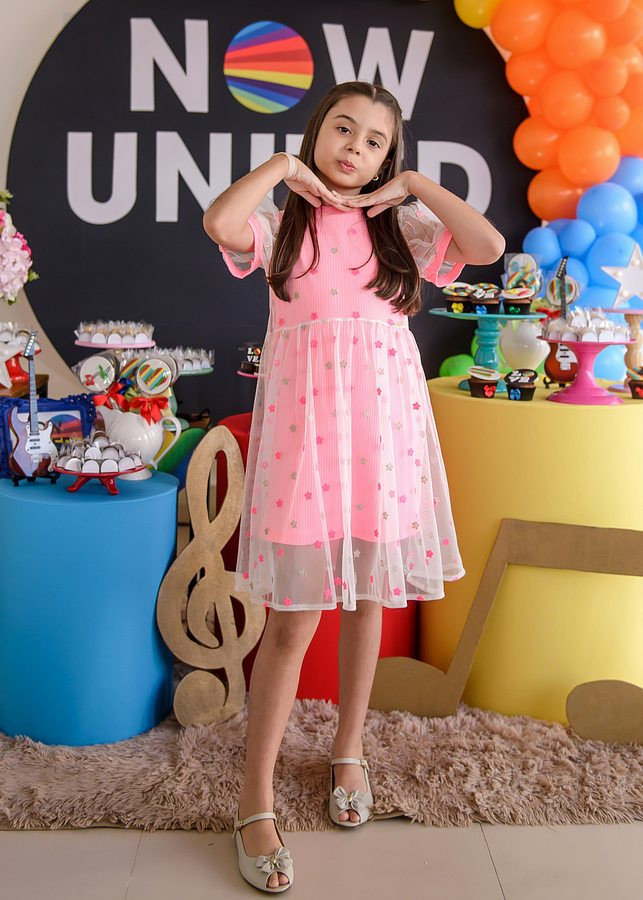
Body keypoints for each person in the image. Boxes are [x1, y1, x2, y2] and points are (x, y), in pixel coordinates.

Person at [203, 80, 505, 893]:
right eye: (342, 130)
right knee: (293, 621)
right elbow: (220, 223)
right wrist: (280, 167)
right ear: (316, 134)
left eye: (374, 141)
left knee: (369, 598)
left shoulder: (403, 230)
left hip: (383, 440)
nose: (354, 148)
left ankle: (348, 752)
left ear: (386, 157)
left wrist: (410, 184)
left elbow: (483, 244)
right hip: (305, 445)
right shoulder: (282, 225)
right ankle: (255, 798)